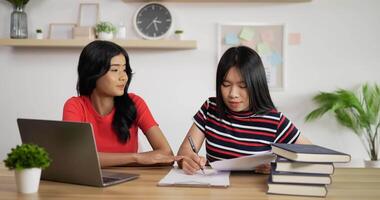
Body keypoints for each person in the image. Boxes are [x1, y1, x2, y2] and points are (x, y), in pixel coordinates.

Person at [177, 46, 311, 175]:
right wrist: (187, 160)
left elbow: (313, 155)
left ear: (256, 85)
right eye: (226, 84)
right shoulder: (210, 108)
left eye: (243, 86)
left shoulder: (274, 121)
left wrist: (279, 166)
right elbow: (185, 151)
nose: (233, 94)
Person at [63, 40, 179, 168]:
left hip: (130, 183)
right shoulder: (75, 106)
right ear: (93, 73)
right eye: (115, 70)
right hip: (89, 182)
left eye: (124, 69)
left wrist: (95, 159)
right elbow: (73, 156)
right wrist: (137, 158)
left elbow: (167, 155)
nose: (123, 77)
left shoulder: (135, 103)